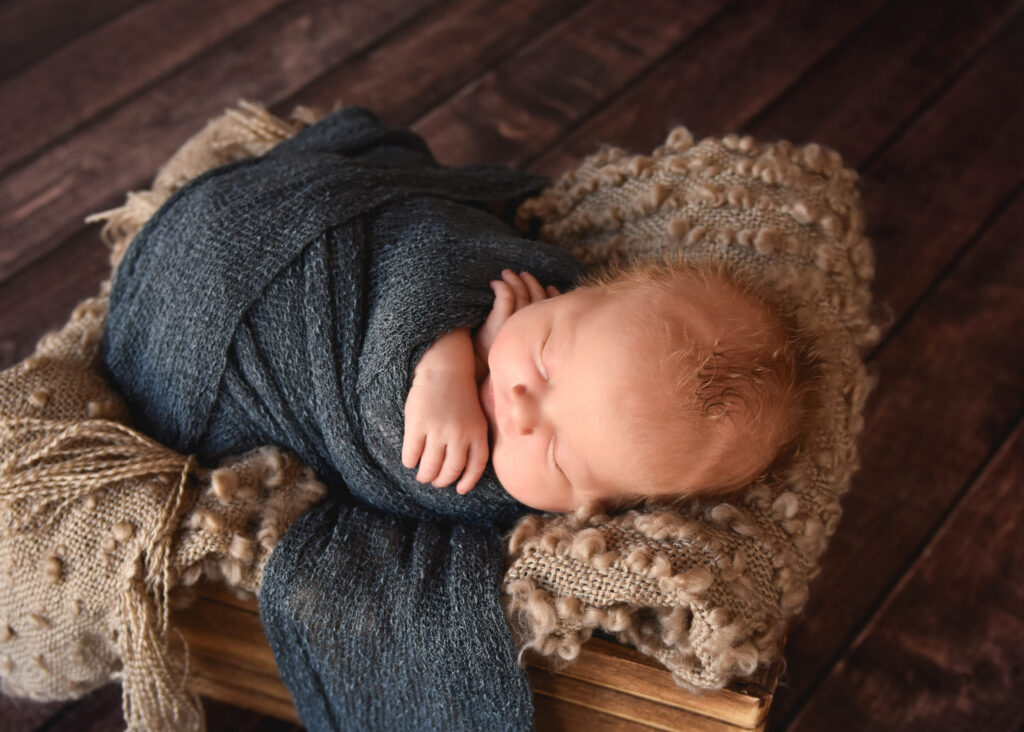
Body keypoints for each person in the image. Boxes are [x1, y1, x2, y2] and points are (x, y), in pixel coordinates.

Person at [404, 262, 802, 513]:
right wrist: (447, 361)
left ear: (594, 508)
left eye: (557, 457)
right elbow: (415, 256)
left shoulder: (497, 515)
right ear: (580, 292)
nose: (519, 411)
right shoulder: (518, 279)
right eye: (543, 362)